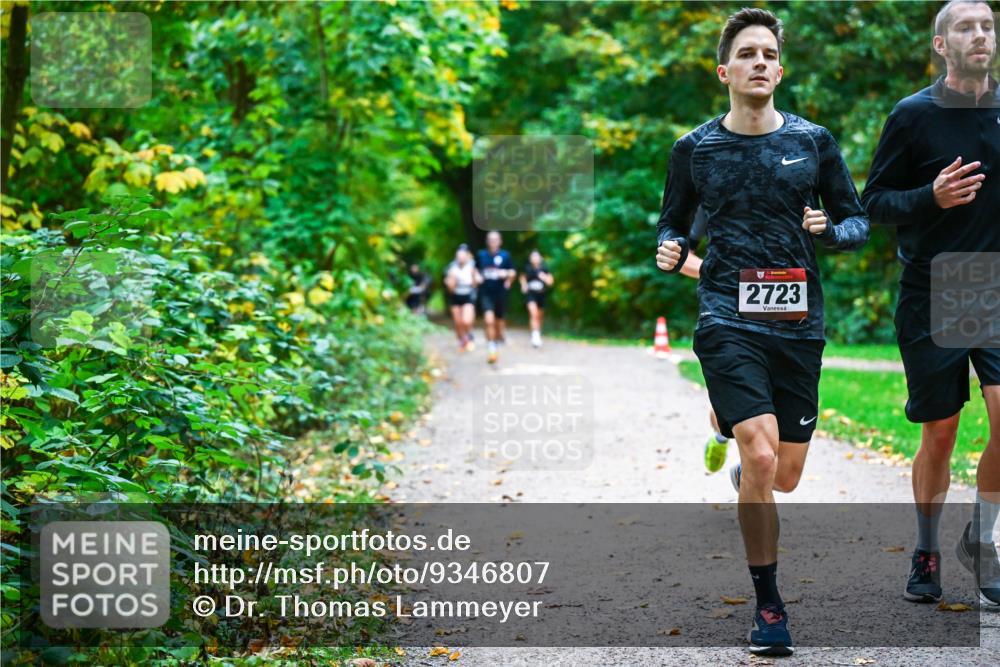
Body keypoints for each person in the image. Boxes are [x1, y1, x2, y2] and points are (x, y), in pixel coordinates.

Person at [655, 8, 869, 656]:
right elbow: (673, 222)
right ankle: (769, 606)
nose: (759, 62)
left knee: (787, 475)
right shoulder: (694, 149)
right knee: (763, 454)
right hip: (727, 314)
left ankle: (738, 451)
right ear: (724, 71)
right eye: (747, 53)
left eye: (768, 54)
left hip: (798, 324)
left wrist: (830, 229)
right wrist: (671, 246)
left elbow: (857, 221)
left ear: (780, 70)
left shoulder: (813, 142)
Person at [861, 0, 999, 606]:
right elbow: (873, 203)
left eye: (987, 25)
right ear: (941, 45)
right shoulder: (913, 115)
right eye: (965, 27)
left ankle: (983, 541)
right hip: (933, 288)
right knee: (940, 431)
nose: (980, 35)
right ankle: (926, 547)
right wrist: (930, 198)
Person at [681, 209, 732, 473]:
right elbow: (681, 255)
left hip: (784, 311)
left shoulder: (795, 190)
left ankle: (755, 469)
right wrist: (719, 273)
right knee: (732, 399)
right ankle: (722, 435)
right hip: (726, 309)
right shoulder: (710, 199)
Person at [477, 231, 516, 364]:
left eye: (495, 239)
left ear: (500, 241)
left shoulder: (505, 255)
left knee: (499, 321)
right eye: (490, 239)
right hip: (486, 293)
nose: (493, 242)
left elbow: (513, 272)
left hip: (500, 293)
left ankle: (498, 337)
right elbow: (475, 270)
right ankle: (492, 347)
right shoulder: (481, 255)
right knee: (489, 320)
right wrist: (476, 277)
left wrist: (507, 277)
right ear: (487, 241)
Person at [444, 244, 481, 352]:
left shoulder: (472, 266)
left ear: (467, 256)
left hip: (468, 295)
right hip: (455, 296)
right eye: (459, 256)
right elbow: (450, 288)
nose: (461, 258)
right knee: (458, 322)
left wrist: (474, 277)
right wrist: (452, 282)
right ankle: (463, 340)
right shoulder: (452, 267)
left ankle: (469, 336)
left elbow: (476, 283)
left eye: (463, 256)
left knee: (466, 320)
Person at [519, 250, 553, 348]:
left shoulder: (545, 269)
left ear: (540, 258)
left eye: (536, 256)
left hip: (541, 295)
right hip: (531, 294)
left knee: (539, 316)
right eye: (533, 256)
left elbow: (550, 282)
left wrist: (544, 277)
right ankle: (535, 335)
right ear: (530, 259)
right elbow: (522, 277)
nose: (535, 258)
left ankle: (537, 332)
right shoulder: (527, 268)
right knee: (533, 314)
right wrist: (524, 285)